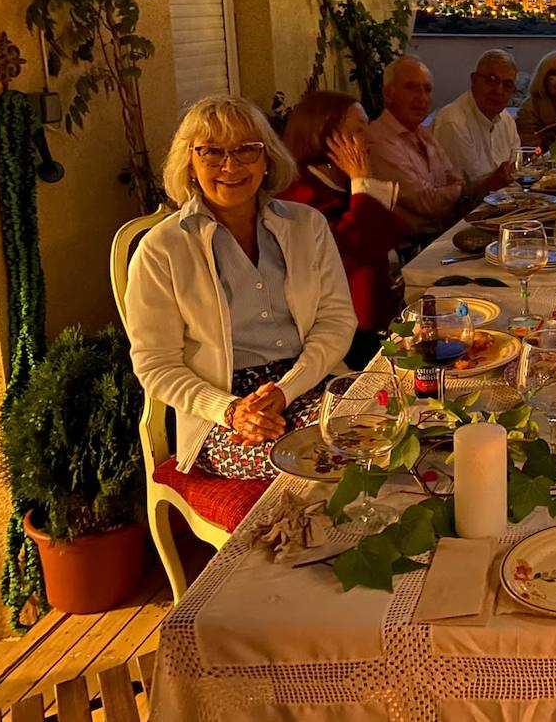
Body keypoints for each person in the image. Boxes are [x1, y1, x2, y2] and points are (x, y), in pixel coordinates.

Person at [124, 95, 356, 481]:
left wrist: (286, 390)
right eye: (211, 152)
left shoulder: (307, 226)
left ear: (267, 160)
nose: (230, 166)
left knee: (382, 426)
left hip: (307, 379)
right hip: (220, 410)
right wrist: (232, 410)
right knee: (305, 460)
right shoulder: (161, 249)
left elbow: (336, 321)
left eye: (247, 150)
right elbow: (156, 364)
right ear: (190, 164)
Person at [280, 90, 408, 368]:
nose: (370, 138)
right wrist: (362, 182)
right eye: (359, 130)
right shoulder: (301, 194)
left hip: (382, 315)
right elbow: (350, 251)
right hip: (345, 338)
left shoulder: (338, 181)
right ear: (326, 139)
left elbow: (393, 233)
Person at [365, 58, 466, 237]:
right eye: (411, 88)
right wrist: (459, 190)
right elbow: (424, 201)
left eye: (427, 90)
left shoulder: (422, 132)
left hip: (439, 239)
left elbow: (453, 176)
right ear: (388, 94)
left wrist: (451, 189)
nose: (422, 98)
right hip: (409, 251)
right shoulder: (378, 139)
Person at [430, 49, 519, 194]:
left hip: (503, 207)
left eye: (507, 85)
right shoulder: (454, 123)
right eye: (491, 80)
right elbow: (462, 195)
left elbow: (515, 173)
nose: (498, 90)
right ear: (474, 80)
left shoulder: (507, 120)